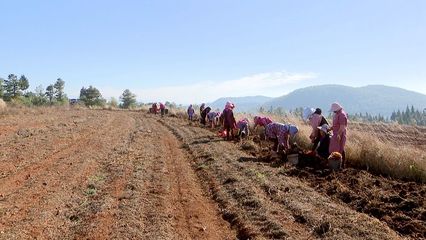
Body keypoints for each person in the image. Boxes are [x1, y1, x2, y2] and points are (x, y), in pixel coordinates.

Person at [329, 102, 348, 167]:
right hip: (336, 134)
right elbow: (336, 125)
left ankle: (341, 164)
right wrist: (331, 128)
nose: (333, 111)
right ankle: (337, 164)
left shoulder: (342, 115)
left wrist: (339, 134)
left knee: (341, 149)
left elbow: (342, 126)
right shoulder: (337, 114)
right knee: (337, 149)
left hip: (340, 134)